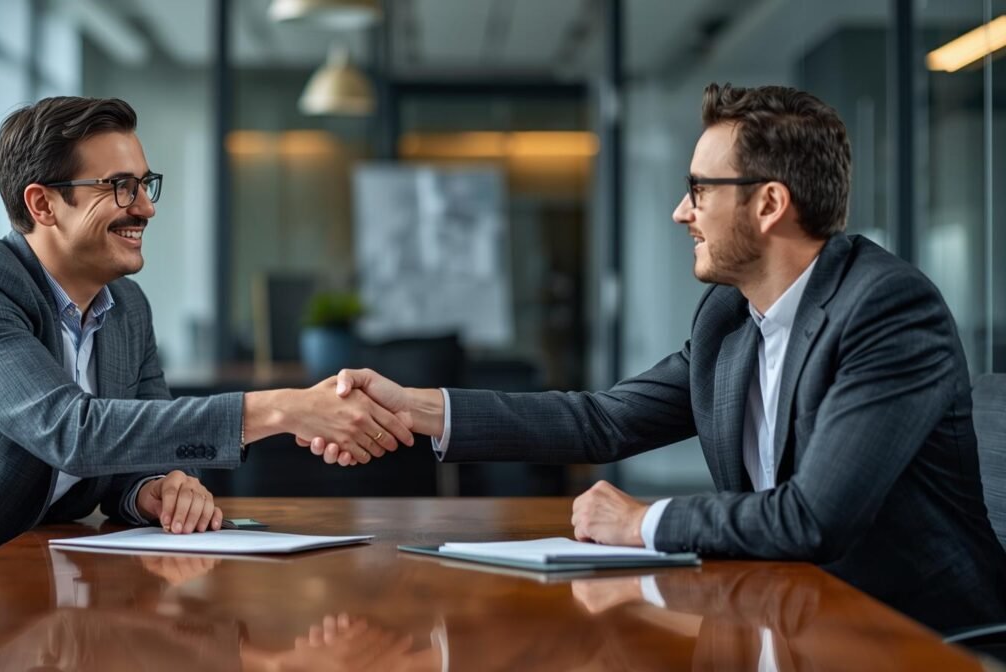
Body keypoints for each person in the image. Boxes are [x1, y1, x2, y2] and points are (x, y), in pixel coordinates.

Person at [313, 83, 1006, 631]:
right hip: (782, 613)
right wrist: (421, 409)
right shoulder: (729, 320)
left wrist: (641, 522)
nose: (682, 211)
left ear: (769, 204)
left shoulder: (887, 309)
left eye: (700, 189)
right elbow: (602, 421)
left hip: (906, 635)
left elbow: (813, 517)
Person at [0, 96, 413, 631]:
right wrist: (281, 407)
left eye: (146, 185)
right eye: (120, 187)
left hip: (16, 594)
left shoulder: (127, 307)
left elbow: (139, 457)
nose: (145, 208)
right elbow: (71, 433)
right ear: (42, 204)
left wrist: (156, 488)